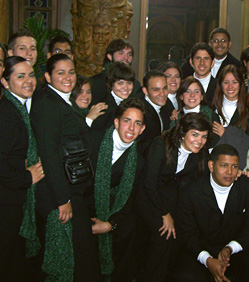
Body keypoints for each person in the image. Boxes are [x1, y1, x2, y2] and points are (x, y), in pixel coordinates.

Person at [31, 54, 102, 281]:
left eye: (71, 72)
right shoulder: (47, 104)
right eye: (60, 73)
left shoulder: (62, 100)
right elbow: (49, 154)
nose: (67, 77)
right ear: (47, 76)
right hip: (62, 193)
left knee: (82, 253)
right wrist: (63, 199)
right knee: (77, 257)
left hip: (72, 189)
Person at [175, 144, 249, 282]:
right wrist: (207, 259)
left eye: (234, 166)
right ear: (211, 166)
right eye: (223, 165)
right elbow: (187, 233)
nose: (230, 172)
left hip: (235, 249)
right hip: (203, 249)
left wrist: (230, 248)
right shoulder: (191, 190)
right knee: (184, 275)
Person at [138, 113, 211, 282]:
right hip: (147, 195)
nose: (199, 141)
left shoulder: (198, 153)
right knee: (165, 236)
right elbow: (149, 185)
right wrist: (165, 215)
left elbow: (208, 175)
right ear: (182, 133)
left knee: (180, 233)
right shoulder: (161, 145)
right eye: (195, 134)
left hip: (168, 196)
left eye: (204, 137)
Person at [90, 98, 146, 281]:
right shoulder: (94, 141)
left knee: (129, 228)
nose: (131, 128)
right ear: (116, 122)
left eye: (137, 123)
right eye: (126, 121)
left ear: (142, 129)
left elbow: (130, 199)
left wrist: (110, 224)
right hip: (85, 208)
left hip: (113, 211)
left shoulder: (138, 161)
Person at [0, 56, 44, 281]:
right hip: (6, 202)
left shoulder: (21, 107)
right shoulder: (7, 112)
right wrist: (27, 177)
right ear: (5, 82)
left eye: (30, 74)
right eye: (20, 76)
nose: (29, 80)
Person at [90, 39, 142, 105]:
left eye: (129, 54)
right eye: (121, 53)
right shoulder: (96, 82)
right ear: (110, 57)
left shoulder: (136, 84)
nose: (126, 57)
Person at [90, 61, 136, 132]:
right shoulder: (104, 108)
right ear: (111, 84)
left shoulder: (129, 103)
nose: (126, 87)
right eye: (120, 83)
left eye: (129, 83)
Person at [139, 70, 174, 147]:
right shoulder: (140, 113)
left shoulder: (167, 104)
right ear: (145, 91)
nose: (162, 94)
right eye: (156, 90)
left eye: (165, 88)